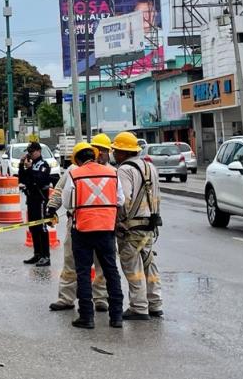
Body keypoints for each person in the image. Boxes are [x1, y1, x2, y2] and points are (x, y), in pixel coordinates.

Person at [45, 133, 113, 312]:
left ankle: (101, 299)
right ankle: (66, 298)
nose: (103, 154)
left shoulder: (111, 172)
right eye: (101, 150)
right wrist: (52, 208)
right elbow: (60, 191)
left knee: (101, 265)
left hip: (102, 224)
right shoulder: (74, 170)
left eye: (105, 151)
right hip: (78, 222)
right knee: (71, 262)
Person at [61, 142, 125, 329]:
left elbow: (67, 203)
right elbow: (120, 199)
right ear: (95, 156)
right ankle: (117, 317)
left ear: (78, 160)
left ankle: (87, 317)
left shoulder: (75, 174)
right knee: (111, 271)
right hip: (106, 229)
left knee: (83, 272)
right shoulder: (112, 173)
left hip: (83, 228)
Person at [112, 131, 164, 321]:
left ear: (122, 152)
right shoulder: (150, 167)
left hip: (131, 227)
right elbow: (156, 196)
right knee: (149, 264)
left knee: (132, 266)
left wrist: (119, 221)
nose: (114, 154)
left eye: (116, 151)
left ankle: (139, 307)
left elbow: (124, 199)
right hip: (149, 224)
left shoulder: (125, 170)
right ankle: (155, 303)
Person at [18, 142, 52, 267]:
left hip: (41, 199)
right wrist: (22, 165)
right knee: (33, 227)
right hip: (31, 199)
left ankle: (46, 256)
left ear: (38, 151)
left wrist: (30, 168)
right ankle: (37, 254)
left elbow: (39, 180)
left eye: (32, 152)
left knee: (41, 227)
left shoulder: (43, 165)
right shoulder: (30, 164)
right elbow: (22, 179)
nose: (30, 155)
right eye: (29, 152)